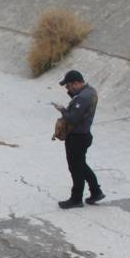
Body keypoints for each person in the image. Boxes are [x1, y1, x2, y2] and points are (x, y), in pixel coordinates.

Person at [53, 70, 104, 209]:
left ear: (76, 83)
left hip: (77, 137)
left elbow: (72, 118)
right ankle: (96, 191)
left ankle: (76, 199)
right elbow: (77, 104)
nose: (68, 89)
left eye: (69, 86)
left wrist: (62, 110)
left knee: (75, 168)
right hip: (83, 135)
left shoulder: (83, 97)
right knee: (81, 165)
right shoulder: (90, 91)